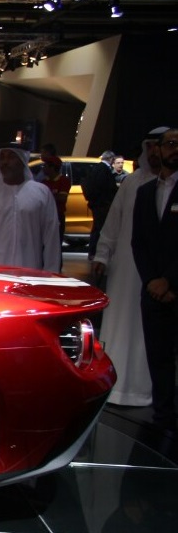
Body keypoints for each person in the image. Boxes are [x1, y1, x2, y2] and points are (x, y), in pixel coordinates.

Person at [90, 132, 163, 407]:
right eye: (150, 147)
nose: (154, 153)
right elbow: (113, 222)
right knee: (120, 323)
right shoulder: (132, 182)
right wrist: (102, 254)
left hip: (157, 272)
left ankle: (144, 390)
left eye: (159, 147)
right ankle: (115, 385)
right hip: (124, 267)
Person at [130, 127, 178, 430]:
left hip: (173, 287)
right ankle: (163, 418)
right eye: (170, 143)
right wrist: (152, 281)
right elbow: (139, 242)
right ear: (158, 149)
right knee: (158, 357)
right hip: (153, 291)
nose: (175, 149)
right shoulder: (145, 192)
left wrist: (169, 281)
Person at [0, 146, 61, 273]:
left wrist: (51, 274)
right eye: (2, 157)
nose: (5, 162)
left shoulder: (41, 194)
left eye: (11, 157)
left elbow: (51, 238)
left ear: (22, 160)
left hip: (28, 273)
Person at [83, 150, 119, 258]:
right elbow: (104, 187)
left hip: (96, 204)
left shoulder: (95, 168)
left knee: (96, 228)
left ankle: (93, 251)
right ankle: (96, 252)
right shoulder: (104, 170)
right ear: (111, 159)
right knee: (100, 229)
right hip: (102, 204)